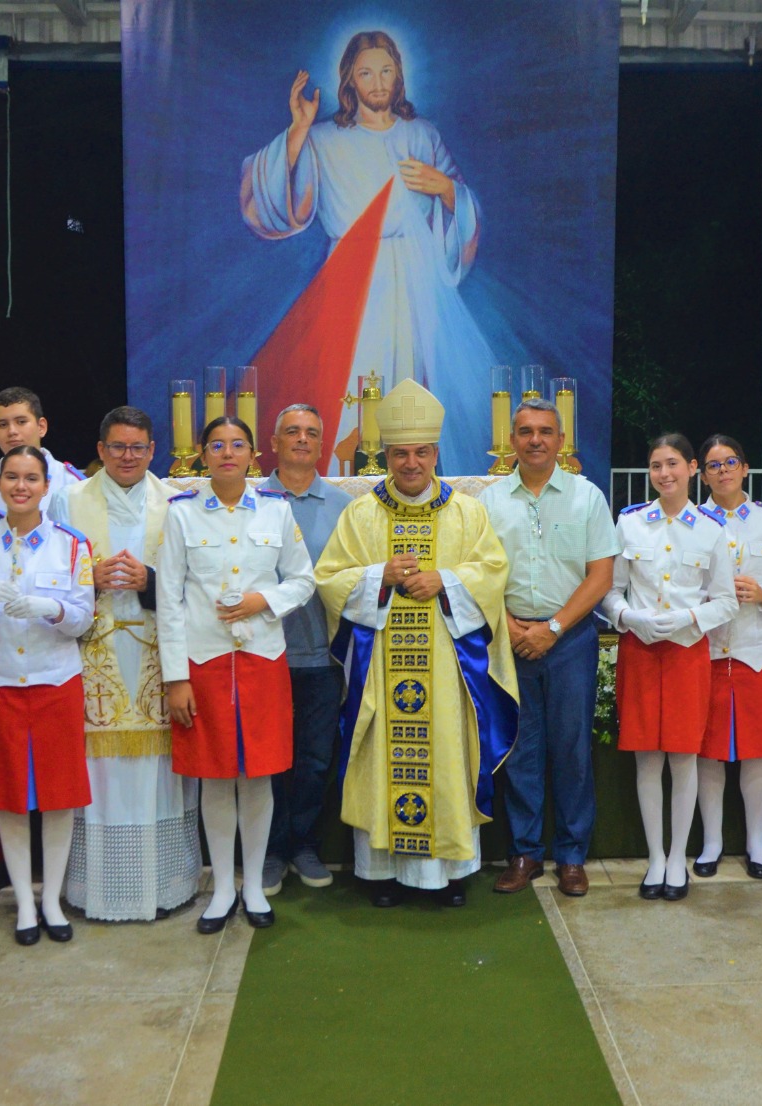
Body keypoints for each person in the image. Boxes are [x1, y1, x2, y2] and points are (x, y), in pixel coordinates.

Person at [239, 30, 493, 473]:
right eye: (366, 72)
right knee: (350, 383)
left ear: (400, 75)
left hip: (415, 284)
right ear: (349, 80)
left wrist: (448, 189)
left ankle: (411, 483)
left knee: (411, 388)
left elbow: (461, 212)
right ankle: (349, 484)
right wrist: (298, 131)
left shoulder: (422, 134)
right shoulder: (324, 138)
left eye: (386, 70)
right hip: (350, 280)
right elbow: (280, 208)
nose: (377, 82)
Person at [316, 380, 516, 906]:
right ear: (386, 454)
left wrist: (444, 581)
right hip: (382, 664)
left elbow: (493, 571)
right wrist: (379, 576)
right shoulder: (361, 514)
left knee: (447, 755)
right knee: (383, 756)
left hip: (446, 666)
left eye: (421, 452)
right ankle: (381, 873)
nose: (410, 463)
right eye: (400, 453)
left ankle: (445, 876)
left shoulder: (467, 513)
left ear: (435, 453)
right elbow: (330, 578)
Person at [157, 416, 315, 934]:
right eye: (217, 445)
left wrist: (261, 601)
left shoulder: (275, 510)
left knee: (259, 774)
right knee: (216, 775)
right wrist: (175, 677)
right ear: (203, 454)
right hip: (203, 663)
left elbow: (302, 580)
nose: (228, 453)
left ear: (254, 454)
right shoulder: (181, 516)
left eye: (238, 445)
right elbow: (169, 598)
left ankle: (253, 885)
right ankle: (222, 886)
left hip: (261, 660)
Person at [46, 406, 202, 922]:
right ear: (101, 450)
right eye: (117, 447)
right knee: (100, 769)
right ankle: (101, 890)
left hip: (159, 649)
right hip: (96, 651)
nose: (128, 456)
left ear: (153, 451)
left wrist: (149, 580)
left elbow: (191, 585)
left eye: (137, 447)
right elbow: (46, 576)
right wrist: (89, 577)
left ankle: (166, 884)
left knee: (158, 767)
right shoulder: (69, 502)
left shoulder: (177, 504)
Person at [479, 398, 618, 898]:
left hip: (569, 640)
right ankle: (525, 852)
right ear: (511, 440)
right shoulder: (491, 502)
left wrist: (553, 628)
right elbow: (479, 571)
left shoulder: (586, 497)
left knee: (572, 750)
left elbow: (601, 574)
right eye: (524, 431)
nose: (534, 439)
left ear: (561, 440)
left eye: (544, 431)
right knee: (521, 750)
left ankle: (573, 856)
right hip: (510, 637)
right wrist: (511, 625)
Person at [0, 446, 96, 945]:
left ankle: (51, 900)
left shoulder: (71, 544)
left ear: (46, 486)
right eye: (12, 478)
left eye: (31, 478)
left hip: (55, 680)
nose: (21, 486)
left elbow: (83, 617)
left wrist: (46, 605)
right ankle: (22, 902)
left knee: (59, 799)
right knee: (10, 799)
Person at [600, 434, 736, 900]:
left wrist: (689, 618)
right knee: (646, 758)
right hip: (640, 651)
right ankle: (654, 857)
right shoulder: (631, 524)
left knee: (683, 758)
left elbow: (727, 601)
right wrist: (628, 616)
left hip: (687, 653)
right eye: (656, 465)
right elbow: (610, 591)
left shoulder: (710, 530)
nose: (665, 474)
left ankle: (678, 855)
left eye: (673, 464)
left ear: (693, 468)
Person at [263, 404, 350, 895]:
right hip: (265, 656)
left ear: (321, 445)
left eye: (311, 433)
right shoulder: (251, 501)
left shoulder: (343, 505)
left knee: (316, 758)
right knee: (272, 759)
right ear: (274, 442)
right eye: (291, 431)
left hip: (323, 658)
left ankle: (305, 844)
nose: (301, 439)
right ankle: (272, 849)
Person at [698, 434, 762, 880]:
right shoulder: (693, 521)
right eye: (714, 465)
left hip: (754, 649)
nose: (723, 470)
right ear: (703, 473)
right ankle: (712, 841)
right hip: (708, 648)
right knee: (708, 750)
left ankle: (756, 842)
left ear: (745, 468)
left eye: (731, 461)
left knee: (758, 750)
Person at [0, 387, 85, 515]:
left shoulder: (72, 484)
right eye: (3, 425)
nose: (12, 431)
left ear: (41, 427)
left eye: (21, 422)